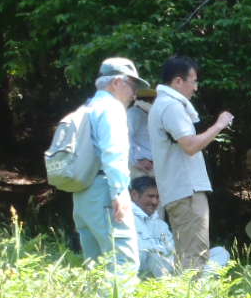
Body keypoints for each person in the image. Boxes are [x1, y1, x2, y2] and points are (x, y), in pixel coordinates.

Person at [149, 54, 233, 274]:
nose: (196, 88)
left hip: (181, 190)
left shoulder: (164, 104)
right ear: (178, 81)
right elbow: (190, 145)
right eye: (193, 81)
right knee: (194, 258)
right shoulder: (170, 106)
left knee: (188, 254)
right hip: (187, 191)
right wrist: (220, 125)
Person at [72, 56, 144, 280]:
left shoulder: (88, 106)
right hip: (105, 192)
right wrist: (120, 192)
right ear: (117, 83)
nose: (134, 94)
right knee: (124, 262)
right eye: (132, 86)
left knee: (95, 265)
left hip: (82, 192)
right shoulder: (111, 109)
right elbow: (114, 153)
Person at [130, 177, 175, 279]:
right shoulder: (126, 220)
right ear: (134, 195)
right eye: (150, 196)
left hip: (169, 270)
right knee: (154, 256)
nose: (154, 202)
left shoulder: (161, 224)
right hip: (140, 276)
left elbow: (172, 251)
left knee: (218, 252)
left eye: (157, 197)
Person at [127, 90, 154, 181]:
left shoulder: (151, 115)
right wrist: (136, 161)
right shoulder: (133, 113)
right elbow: (127, 138)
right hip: (140, 166)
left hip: (152, 165)